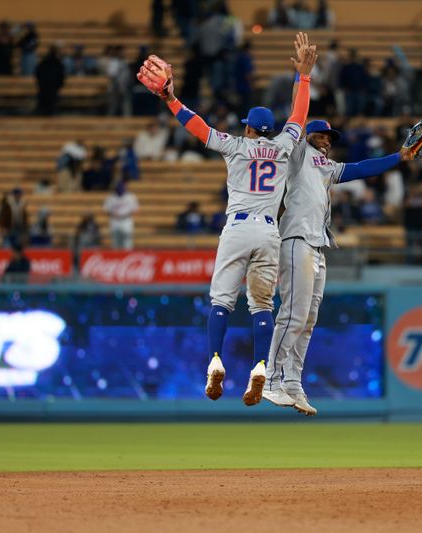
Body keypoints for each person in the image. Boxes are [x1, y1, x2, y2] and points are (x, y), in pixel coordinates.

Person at [137, 32, 317, 406]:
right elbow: (299, 116)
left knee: (221, 300)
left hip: (237, 227)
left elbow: (196, 125)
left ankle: (215, 360)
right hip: (270, 231)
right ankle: (261, 365)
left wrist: (170, 99)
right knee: (262, 305)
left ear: (249, 128)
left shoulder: (235, 146)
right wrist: (304, 76)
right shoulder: (284, 146)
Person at [262, 117, 422, 415]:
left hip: (317, 246)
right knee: (293, 315)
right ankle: (271, 381)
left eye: (331, 137)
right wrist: (303, 81)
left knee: (308, 320)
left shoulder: (326, 167)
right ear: (308, 136)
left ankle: (292, 382)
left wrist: (399, 157)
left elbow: (360, 169)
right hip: (296, 240)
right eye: (322, 135)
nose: (328, 140)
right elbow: (297, 122)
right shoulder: (299, 154)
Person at [103, 181, 139, 249]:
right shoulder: (110, 197)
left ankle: (127, 255)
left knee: (127, 241)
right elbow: (106, 210)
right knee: (115, 242)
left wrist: (126, 214)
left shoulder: (131, 197)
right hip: (114, 220)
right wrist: (113, 214)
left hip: (126, 220)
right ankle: (116, 257)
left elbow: (136, 210)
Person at [35, 46, 65, 116]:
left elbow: (37, 74)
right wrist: (58, 86)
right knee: (50, 111)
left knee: (43, 110)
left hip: (44, 89)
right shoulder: (58, 64)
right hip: (52, 90)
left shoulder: (44, 63)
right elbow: (61, 77)